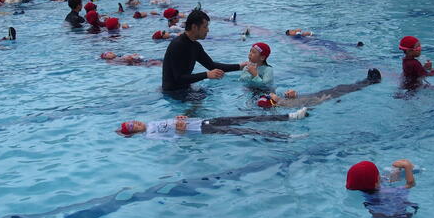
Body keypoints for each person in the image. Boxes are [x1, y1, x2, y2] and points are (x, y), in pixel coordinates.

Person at [161, 9, 244, 91]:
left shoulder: (195, 45)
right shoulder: (178, 45)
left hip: (185, 89)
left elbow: (212, 66)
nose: (208, 30)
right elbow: (179, 78)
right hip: (172, 93)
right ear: (194, 27)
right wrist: (206, 75)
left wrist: (240, 66)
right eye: (205, 27)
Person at [117, 108, 308, 139]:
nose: (136, 123)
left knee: (246, 119)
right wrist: (180, 132)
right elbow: (173, 140)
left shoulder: (151, 122)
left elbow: (172, 123)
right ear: (133, 133)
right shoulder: (150, 135)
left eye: (132, 121)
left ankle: (290, 117)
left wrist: (180, 117)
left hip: (200, 121)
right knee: (246, 131)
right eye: (133, 126)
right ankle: (286, 137)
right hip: (203, 130)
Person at [258, 69, 381, 108]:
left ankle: (365, 82)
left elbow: (296, 101)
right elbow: (298, 105)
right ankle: (370, 82)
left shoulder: (282, 102)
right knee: (343, 90)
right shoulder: (282, 105)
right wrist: (279, 100)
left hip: (315, 95)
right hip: (322, 98)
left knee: (341, 87)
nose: (271, 94)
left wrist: (293, 95)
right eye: (270, 96)